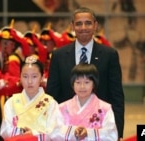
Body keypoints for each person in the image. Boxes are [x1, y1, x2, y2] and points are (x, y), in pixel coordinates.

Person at [46, 7, 124, 140]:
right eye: (78, 23)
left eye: (88, 23)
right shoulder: (59, 55)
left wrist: (118, 133)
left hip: (99, 131)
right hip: (66, 131)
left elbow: (116, 96)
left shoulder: (109, 55)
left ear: (95, 25)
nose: (83, 27)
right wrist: (49, 129)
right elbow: (52, 96)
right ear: (72, 26)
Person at [0, 55, 63, 141]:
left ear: (42, 77)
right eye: (25, 76)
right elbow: (5, 130)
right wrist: (23, 132)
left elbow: (56, 132)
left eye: (34, 77)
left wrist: (34, 134)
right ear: (20, 77)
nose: (29, 81)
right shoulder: (11, 102)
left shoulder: (51, 103)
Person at [51, 63, 118, 140]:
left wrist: (88, 133)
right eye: (78, 82)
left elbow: (112, 135)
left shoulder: (105, 108)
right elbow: (54, 132)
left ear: (94, 84)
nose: (82, 86)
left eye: (87, 82)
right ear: (73, 84)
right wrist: (73, 132)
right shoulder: (62, 108)